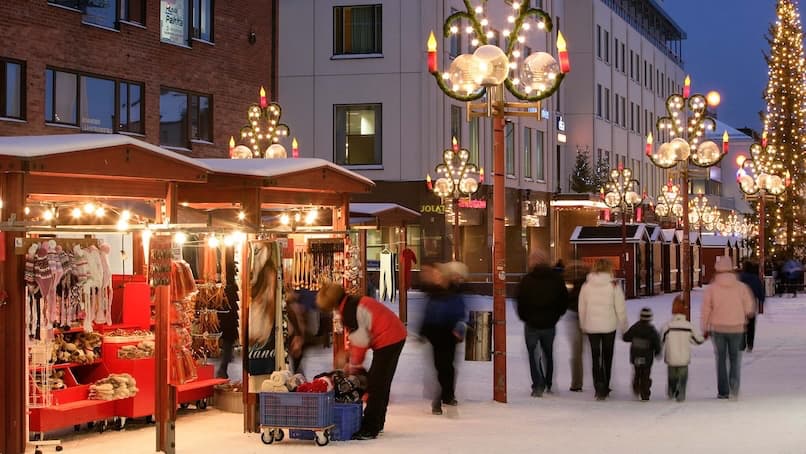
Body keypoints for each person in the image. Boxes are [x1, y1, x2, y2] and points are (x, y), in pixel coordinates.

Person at [316, 283, 407, 440]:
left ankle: (370, 428)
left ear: (332, 304)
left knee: (376, 384)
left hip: (389, 338)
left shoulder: (349, 311)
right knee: (380, 383)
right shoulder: (352, 302)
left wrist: (352, 365)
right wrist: (350, 358)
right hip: (394, 333)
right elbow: (360, 334)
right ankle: (377, 423)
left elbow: (360, 340)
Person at [517, 250, 569, 397]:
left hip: (531, 324)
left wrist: (525, 317)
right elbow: (563, 300)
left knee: (533, 354)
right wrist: (556, 316)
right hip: (549, 324)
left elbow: (520, 301)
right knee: (548, 353)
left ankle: (538, 384)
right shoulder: (556, 279)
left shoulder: (526, 280)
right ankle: (548, 382)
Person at [701, 255, 754, 400]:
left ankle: (723, 391)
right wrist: (745, 314)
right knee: (735, 358)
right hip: (737, 328)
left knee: (721, 359)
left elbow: (706, 309)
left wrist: (705, 327)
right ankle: (734, 387)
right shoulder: (741, 287)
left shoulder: (711, 288)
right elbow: (749, 307)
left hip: (718, 328)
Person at [419, 262, 468, 415]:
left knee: (447, 366)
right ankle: (444, 396)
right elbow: (428, 314)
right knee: (441, 367)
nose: (437, 278)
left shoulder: (454, 292)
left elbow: (461, 313)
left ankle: (443, 397)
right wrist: (423, 331)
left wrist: (459, 329)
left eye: (439, 275)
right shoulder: (434, 293)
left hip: (449, 333)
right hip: (436, 334)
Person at [578, 259, 628, 401]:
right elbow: (620, 308)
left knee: (595, 356)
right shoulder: (613, 286)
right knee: (607, 356)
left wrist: (583, 324)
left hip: (591, 326)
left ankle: (598, 386)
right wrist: (624, 325)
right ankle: (605, 385)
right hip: (609, 326)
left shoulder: (586, 286)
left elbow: (582, 307)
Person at [661, 295, 705, 402]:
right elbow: (697, 340)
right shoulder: (688, 326)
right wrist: (704, 337)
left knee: (672, 378)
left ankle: (671, 392)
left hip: (671, 358)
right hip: (684, 358)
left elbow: (660, 340)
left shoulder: (668, 326)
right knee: (683, 379)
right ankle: (681, 395)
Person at [622, 307, 661, 401]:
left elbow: (626, 337)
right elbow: (656, 342)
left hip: (636, 355)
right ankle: (645, 393)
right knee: (646, 375)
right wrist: (657, 351)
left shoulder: (635, 327)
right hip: (647, 358)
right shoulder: (651, 330)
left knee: (637, 372)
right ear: (650, 318)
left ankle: (636, 385)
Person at [564, 261, 589, 392]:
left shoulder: (570, 284)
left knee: (576, 353)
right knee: (596, 352)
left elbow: (567, 300)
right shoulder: (589, 283)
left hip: (576, 317)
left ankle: (576, 383)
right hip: (591, 318)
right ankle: (601, 381)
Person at [217, 248, 240, 379]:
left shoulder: (226, 291)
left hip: (227, 325)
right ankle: (223, 367)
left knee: (227, 344)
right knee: (228, 344)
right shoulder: (232, 290)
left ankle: (223, 366)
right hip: (229, 325)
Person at [738, 260, 764, 352]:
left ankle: (741, 344)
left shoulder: (739, 277)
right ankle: (750, 344)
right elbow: (759, 290)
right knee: (751, 325)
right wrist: (761, 299)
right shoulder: (755, 278)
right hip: (752, 303)